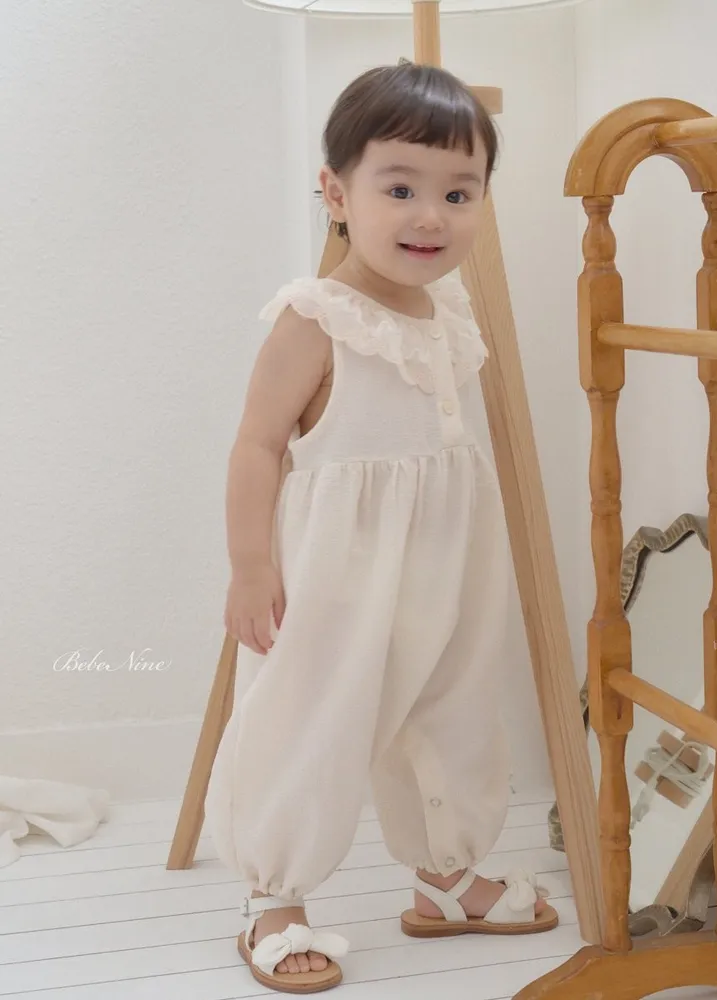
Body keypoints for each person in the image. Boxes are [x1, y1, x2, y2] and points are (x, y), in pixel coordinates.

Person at [204, 61, 558, 995]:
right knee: (310, 715)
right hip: (337, 570)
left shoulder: (449, 312)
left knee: (452, 707)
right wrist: (249, 566)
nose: (429, 216)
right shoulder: (315, 318)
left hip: (446, 560)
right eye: (399, 189)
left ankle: (446, 875)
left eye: (458, 193)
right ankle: (274, 894)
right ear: (336, 194)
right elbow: (257, 446)